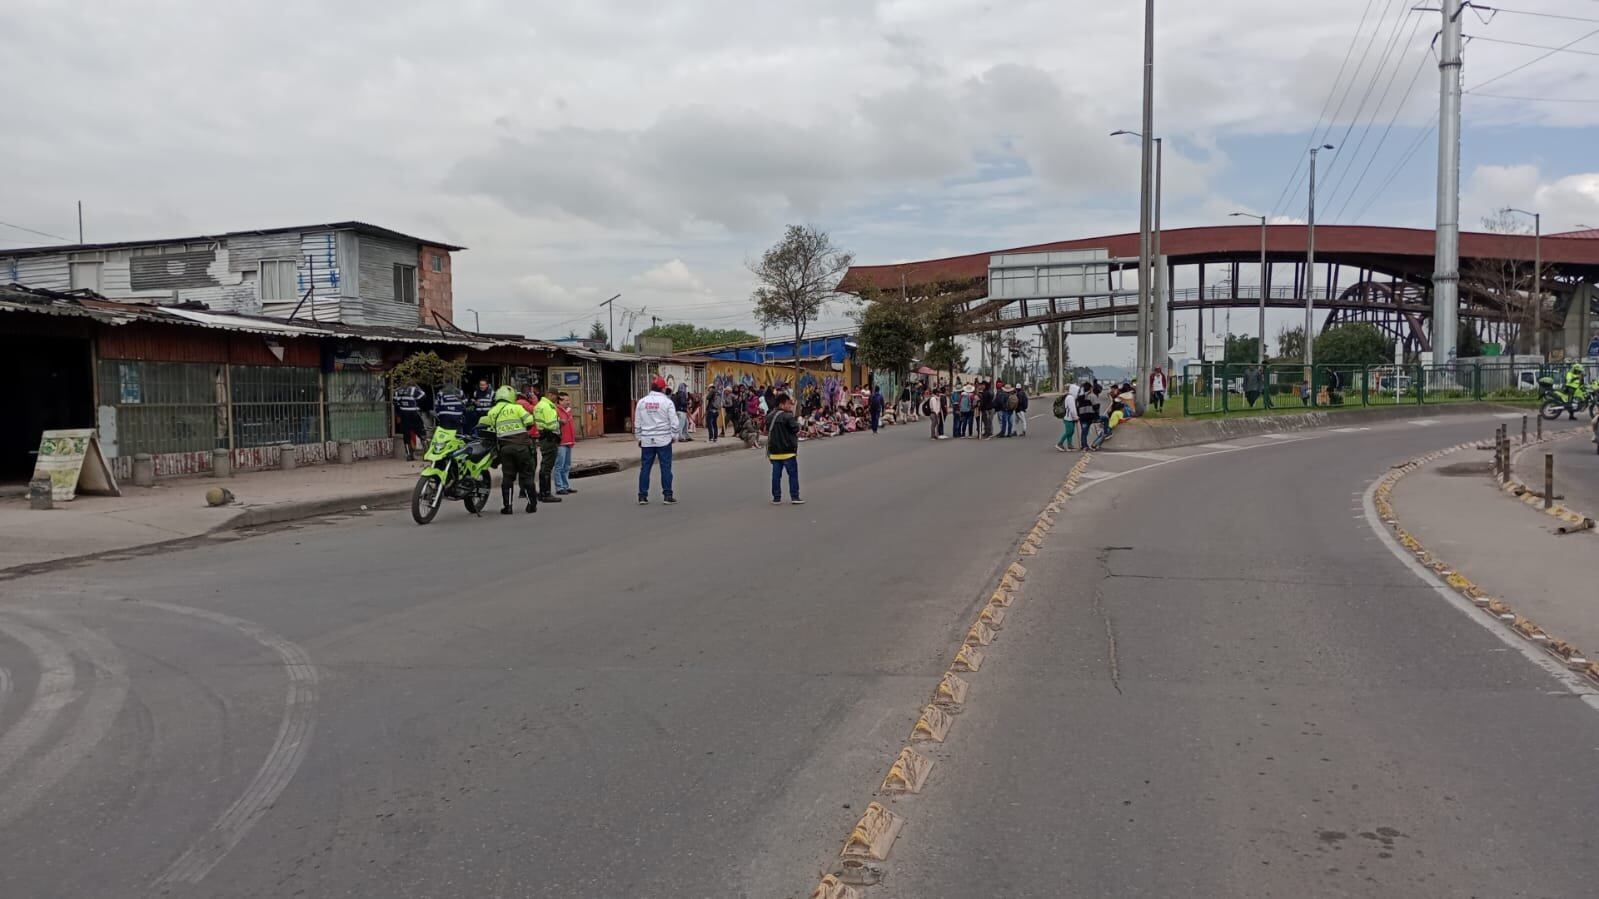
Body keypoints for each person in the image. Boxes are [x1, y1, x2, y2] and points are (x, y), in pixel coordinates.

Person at [480, 386, 538, 515]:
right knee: (527, 476)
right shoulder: (517, 408)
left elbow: (487, 428)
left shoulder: (492, 411)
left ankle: (508, 507)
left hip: (505, 448)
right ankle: (531, 505)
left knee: (508, 477)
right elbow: (530, 421)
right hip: (522, 447)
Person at [635, 376, 678, 504]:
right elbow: (674, 423)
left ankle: (642, 496)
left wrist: (639, 437)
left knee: (645, 468)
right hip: (664, 440)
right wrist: (674, 436)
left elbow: (637, 422)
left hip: (647, 440)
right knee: (665, 467)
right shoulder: (667, 402)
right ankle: (667, 496)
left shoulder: (642, 402)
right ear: (662, 388)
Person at [766, 392, 804, 505]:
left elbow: (767, 429)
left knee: (776, 476)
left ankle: (776, 498)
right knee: (793, 475)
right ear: (782, 405)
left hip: (774, 452)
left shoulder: (769, 416)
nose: (790, 406)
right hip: (788, 452)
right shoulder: (788, 416)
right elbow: (795, 428)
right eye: (788, 404)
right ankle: (795, 497)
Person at [393, 379, 427, 461]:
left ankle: (408, 455)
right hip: (414, 414)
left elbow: (395, 402)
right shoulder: (413, 389)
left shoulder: (398, 391)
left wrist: (399, 413)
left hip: (404, 415)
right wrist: (417, 387)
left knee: (406, 435)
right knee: (421, 433)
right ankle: (426, 454)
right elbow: (423, 396)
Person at [553, 391, 578, 495]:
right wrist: (559, 421)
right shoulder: (556, 411)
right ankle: (559, 487)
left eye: (569, 400)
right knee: (559, 465)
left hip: (569, 441)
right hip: (561, 442)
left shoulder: (568, 411)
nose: (569, 402)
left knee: (567, 466)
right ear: (560, 401)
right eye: (566, 400)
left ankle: (566, 486)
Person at [1055, 380, 1081, 452]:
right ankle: (1060, 443)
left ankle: (1070, 445)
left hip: (1070, 417)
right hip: (1068, 418)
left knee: (1071, 431)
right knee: (1069, 431)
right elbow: (1072, 409)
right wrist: (1075, 417)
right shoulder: (1070, 398)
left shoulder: (1071, 397)